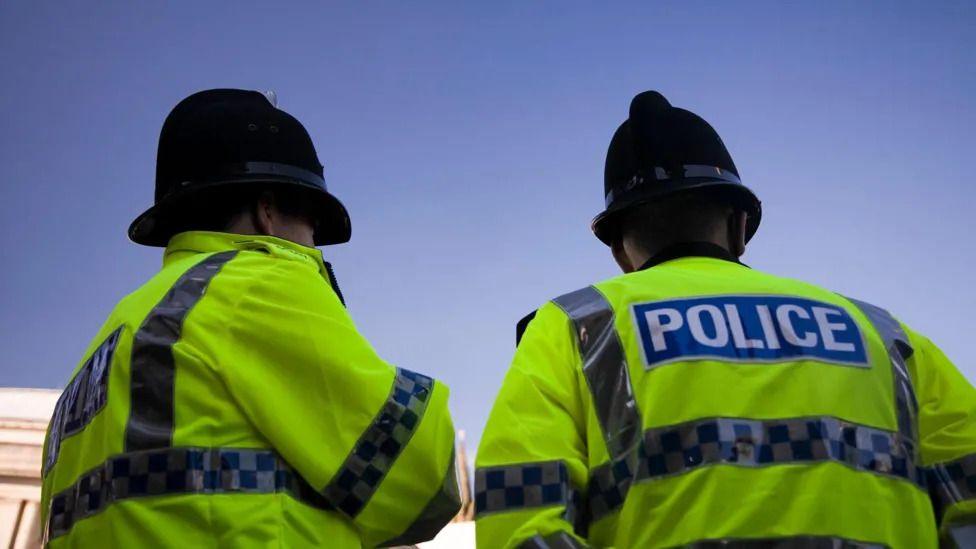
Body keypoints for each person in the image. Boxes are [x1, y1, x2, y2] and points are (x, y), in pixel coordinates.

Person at [475, 91, 976, 548]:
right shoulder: (884, 334)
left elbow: (519, 518)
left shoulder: (576, 327)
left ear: (621, 254)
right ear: (739, 227)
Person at [40, 89, 461, 547]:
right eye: (313, 227)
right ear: (268, 211)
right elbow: (422, 479)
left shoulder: (111, 342)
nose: (314, 247)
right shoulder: (254, 284)